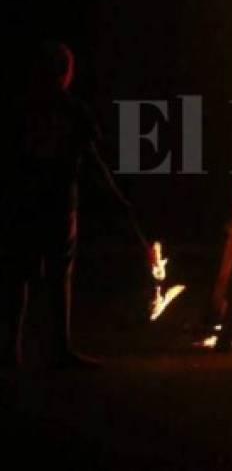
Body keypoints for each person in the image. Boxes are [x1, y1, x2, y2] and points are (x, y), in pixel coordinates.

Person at [0, 41, 131, 368]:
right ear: (66, 73)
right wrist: (115, 195)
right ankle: (58, 349)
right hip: (55, 203)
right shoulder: (72, 110)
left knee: (19, 276)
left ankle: (11, 352)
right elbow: (92, 158)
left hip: (24, 201)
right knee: (57, 277)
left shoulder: (21, 107)